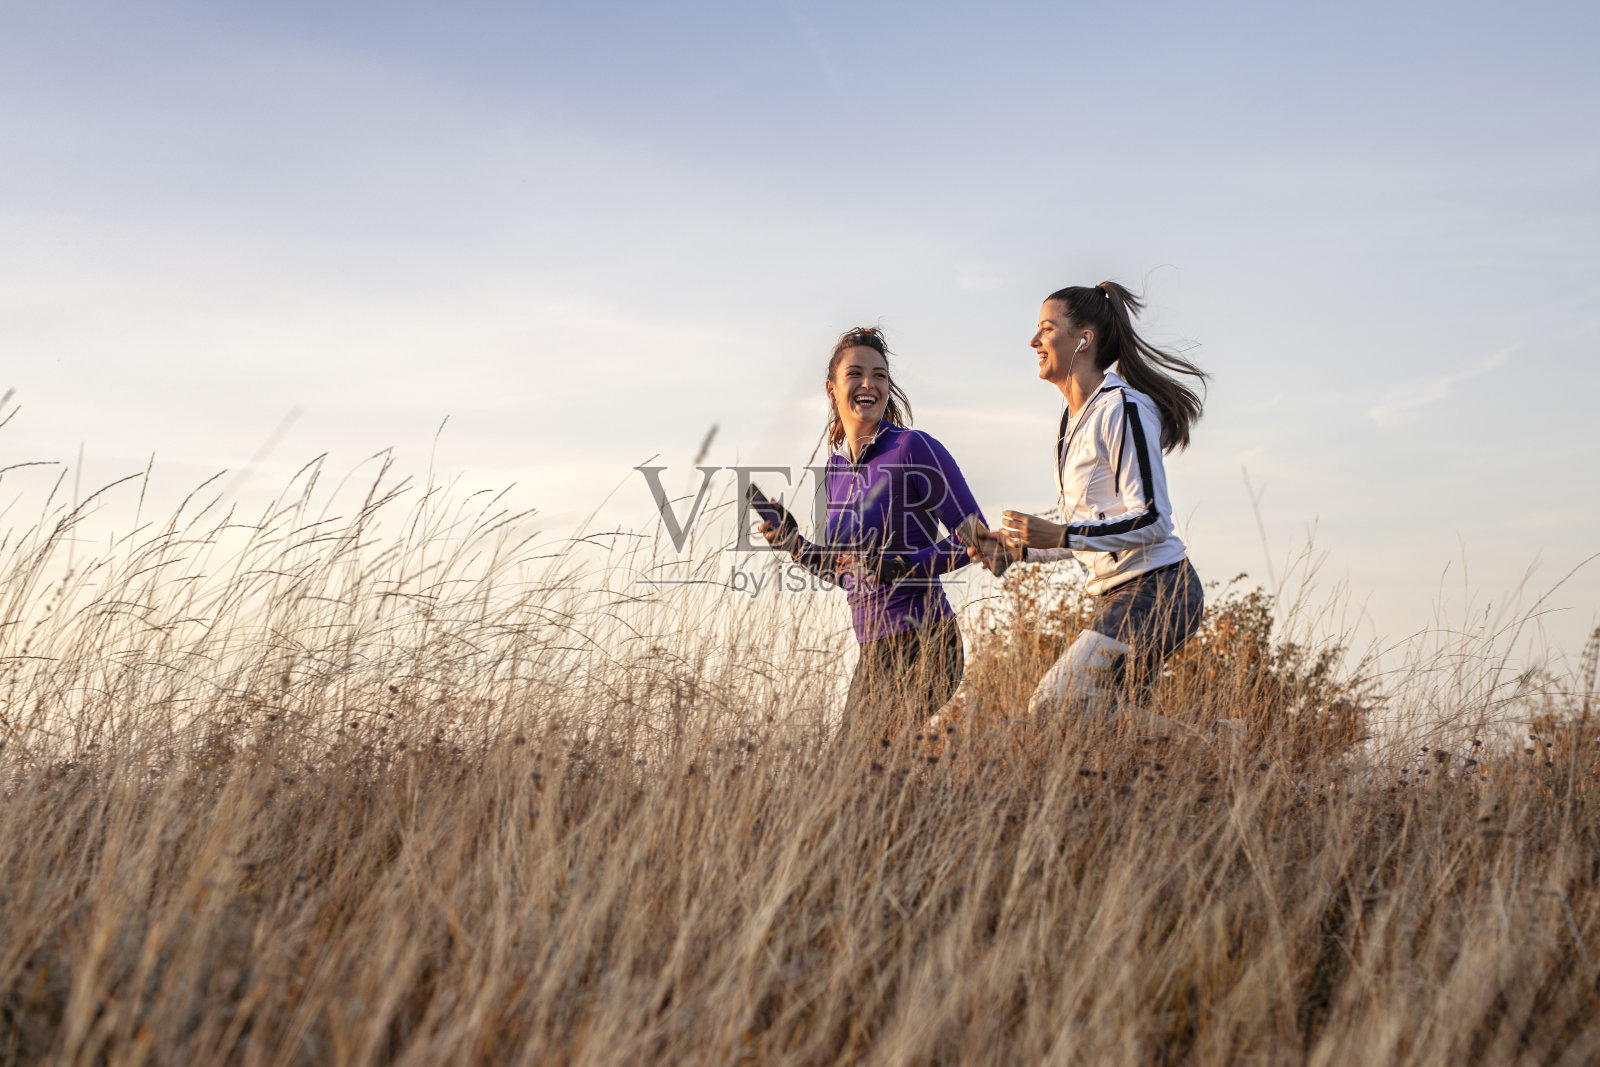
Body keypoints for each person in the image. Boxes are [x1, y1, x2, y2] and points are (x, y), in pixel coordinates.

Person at [970, 282, 1207, 723]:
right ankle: (1219, 749)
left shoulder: (1123, 408)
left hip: (1160, 591)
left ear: (1083, 339)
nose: (1034, 341)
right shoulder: (1071, 423)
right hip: (1117, 595)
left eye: (1046, 328)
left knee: (1055, 703)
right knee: (1098, 722)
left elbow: (1153, 518)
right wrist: (1021, 549)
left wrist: (1062, 533)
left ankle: (1217, 746)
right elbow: (1094, 529)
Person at [760, 326, 985, 737]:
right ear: (831, 389)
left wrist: (901, 566)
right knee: (859, 770)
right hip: (873, 650)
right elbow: (851, 572)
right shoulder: (835, 470)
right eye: (856, 374)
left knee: (860, 761)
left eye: (879, 375)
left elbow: (977, 538)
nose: (869, 383)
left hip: (928, 641)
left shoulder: (912, 448)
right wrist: (794, 543)